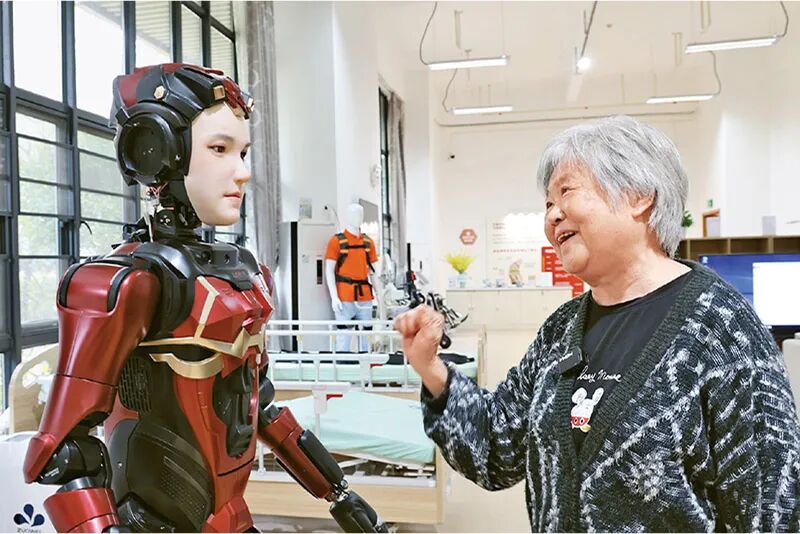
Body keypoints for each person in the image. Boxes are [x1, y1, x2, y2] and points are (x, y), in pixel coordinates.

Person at [23, 63, 387, 533]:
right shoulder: (122, 282)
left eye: (243, 152)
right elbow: (63, 452)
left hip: (231, 516)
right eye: (219, 149)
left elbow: (260, 407)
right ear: (155, 150)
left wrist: (338, 492)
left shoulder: (243, 271)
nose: (243, 172)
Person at [396, 115, 800, 532]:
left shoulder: (722, 328)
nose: (552, 216)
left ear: (639, 196)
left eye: (566, 192)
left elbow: (773, 510)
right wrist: (432, 368)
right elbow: (499, 447)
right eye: (547, 204)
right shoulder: (562, 329)